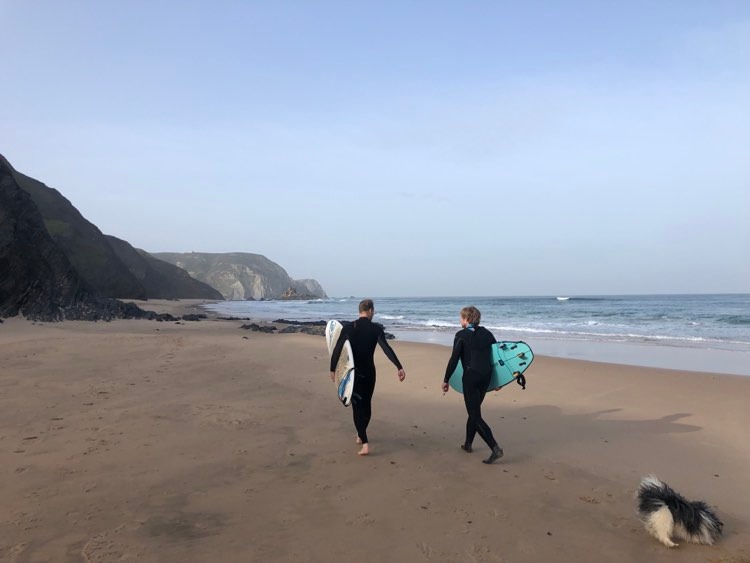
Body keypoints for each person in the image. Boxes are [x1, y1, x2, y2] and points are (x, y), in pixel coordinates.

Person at [330, 299, 406, 456]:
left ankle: (363, 441)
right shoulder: (376, 329)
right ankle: (361, 433)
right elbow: (386, 348)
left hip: (353, 373)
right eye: (374, 311)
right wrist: (399, 366)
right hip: (370, 373)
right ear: (370, 310)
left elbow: (337, 348)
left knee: (357, 407)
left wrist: (332, 369)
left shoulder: (350, 328)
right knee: (367, 404)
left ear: (360, 311)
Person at [441, 306, 504, 464]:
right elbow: (496, 358)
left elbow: (454, 360)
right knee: (474, 411)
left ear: (467, 319)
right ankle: (468, 444)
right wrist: (498, 381)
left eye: (461, 318)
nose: (460, 320)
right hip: (485, 377)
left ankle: (495, 448)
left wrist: (446, 379)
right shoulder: (487, 334)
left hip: (471, 377)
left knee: (475, 415)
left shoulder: (460, 335)